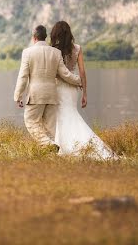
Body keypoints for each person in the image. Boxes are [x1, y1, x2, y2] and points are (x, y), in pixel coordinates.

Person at [50, 20, 116, 159]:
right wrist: (85, 93)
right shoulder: (77, 49)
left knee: (62, 117)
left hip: (59, 88)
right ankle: (73, 147)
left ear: (56, 33)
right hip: (73, 89)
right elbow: (82, 72)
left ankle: (64, 148)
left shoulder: (53, 50)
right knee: (71, 114)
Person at [13, 25, 83, 151]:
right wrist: (79, 80)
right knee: (50, 127)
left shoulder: (27, 53)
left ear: (34, 38)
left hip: (35, 95)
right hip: (52, 94)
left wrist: (18, 95)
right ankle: (53, 153)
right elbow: (65, 74)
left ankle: (47, 145)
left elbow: (23, 76)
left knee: (31, 121)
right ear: (45, 37)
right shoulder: (55, 52)